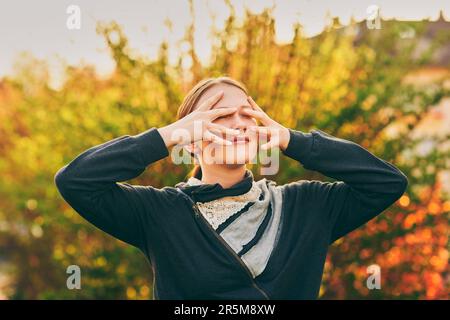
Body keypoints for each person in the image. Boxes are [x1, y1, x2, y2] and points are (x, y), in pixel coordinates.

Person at [54, 76, 408, 299]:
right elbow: (76, 181)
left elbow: (386, 183)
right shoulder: (158, 214)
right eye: (220, 116)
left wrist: (291, 139)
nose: (238, 123)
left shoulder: (306, 206)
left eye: (246, 114)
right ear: (190, 140)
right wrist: (167, 136)